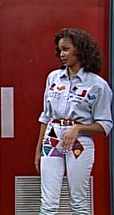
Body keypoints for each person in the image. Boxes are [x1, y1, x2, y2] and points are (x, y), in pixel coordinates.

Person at [34, 28, 113, 214]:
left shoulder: (97, 85)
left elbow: (105, 125)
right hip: (52, 138)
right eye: (60, 50)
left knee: (78, 202)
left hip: (80, 142)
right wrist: (38, 150)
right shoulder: (53, 78)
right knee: (47, 203)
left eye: (66, 49)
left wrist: (78, 128)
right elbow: (45, 116)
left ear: (80, 50)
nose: (62, 55)